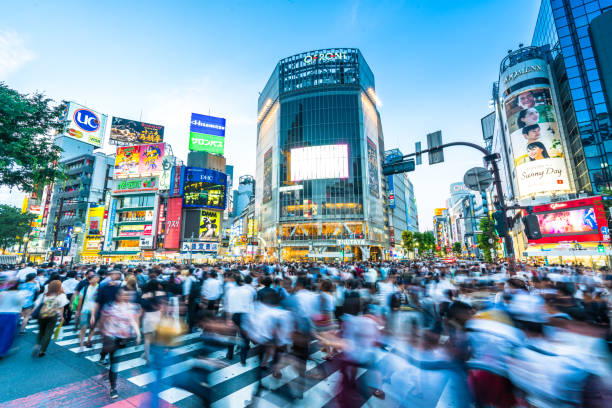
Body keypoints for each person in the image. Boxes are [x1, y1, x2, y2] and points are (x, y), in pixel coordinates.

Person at [99, 288, 141, 399]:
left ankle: (103, 355)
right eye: (123, 294)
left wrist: (138, 334)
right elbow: (102, 320)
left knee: (114, 363)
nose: (125, 296)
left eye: (127, 295)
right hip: (111, 337)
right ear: (117, 295)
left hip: (122, 339)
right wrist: (103, 333)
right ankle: (113, 388)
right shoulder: (110, 306)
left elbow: (134, 320)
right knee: (113, 363)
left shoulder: (133, 307)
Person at [32, 280, 68, 357]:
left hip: (42, 315)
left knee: (41, 331)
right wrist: (61, 317)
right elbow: (61, 307)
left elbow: (36, 304)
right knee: (48, 333)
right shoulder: (61, 295)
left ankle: (37, 344)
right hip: (53, 315)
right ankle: (42, 350)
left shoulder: (44, 295)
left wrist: (32, 312)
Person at [75, 273, 99, 350]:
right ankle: (81, 343)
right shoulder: (85, 288)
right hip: (84, 310)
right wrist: (78, 311)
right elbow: (80, 300)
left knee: (92, 327)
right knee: (83, 327)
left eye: (96, 278)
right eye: (93, 278)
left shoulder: (100, 288)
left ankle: (88, 341)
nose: (95, 279)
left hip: (95, 311)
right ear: (89, 280)